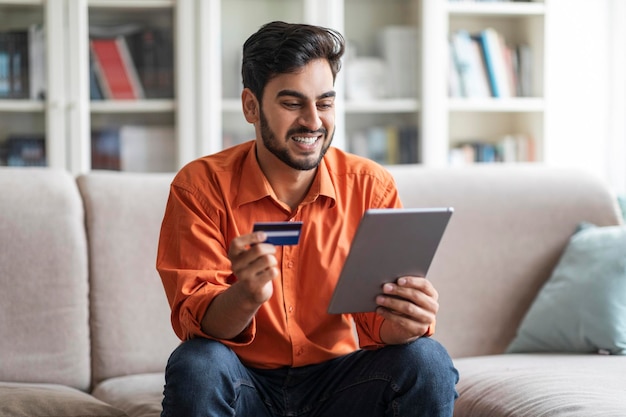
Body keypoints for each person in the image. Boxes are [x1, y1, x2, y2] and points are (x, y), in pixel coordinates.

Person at [156, 21, 459, 416]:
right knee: (197, 364)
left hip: (341, 385)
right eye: (292, 103)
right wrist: (245, 295)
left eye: (325, 103)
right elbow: (197, 325)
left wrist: (407, 321)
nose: (313, 121)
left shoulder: (370, 187)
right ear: (251, 106)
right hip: (243, 383)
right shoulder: (200, 187)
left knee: (427, 360)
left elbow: (378, 329)